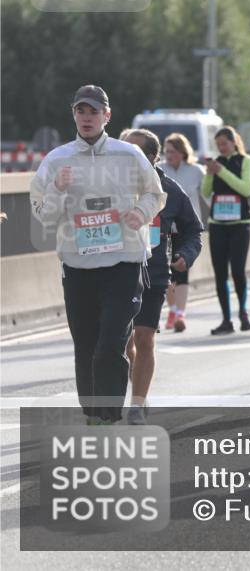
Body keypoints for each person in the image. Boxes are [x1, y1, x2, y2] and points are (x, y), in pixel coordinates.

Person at [29, 85, 166, 424]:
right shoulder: (56, 160)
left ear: (107, 116)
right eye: (81, 111)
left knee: (111, 343)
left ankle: (107, 415)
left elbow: (155, 194)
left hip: (124, 262)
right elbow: (43, 215)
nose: (86, 117)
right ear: (73, 115)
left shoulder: (128, 154)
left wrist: (141, 213)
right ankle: (93, 412)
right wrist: (58, 189)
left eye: (93, 112)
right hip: (78, 265)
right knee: (86, 346)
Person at [123, 129, 203, 425]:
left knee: (144, 339)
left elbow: (194, 230)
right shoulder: (107, 186)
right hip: (114, 273)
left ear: (151, 158)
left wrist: (185, 255)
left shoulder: (169, 189)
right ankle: (131, 392)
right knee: (121, 342)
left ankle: (137, 405)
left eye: (135, 152)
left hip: (153, 274)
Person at [201, 126, 250, 334]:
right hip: (218, 224)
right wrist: (209, 174)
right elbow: (206, 192)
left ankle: (243, 313)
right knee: (220, 273)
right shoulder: (217, 163)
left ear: (234, 142)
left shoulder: (245, 161)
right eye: (218, 145)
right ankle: (226, 319)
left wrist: (221, 172)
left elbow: (245, 189)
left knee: (238, 271)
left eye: (224, 144)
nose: (221, 148)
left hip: (240, 224)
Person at [161, 132, 205, 332]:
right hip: (165, 228)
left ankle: (180, 313)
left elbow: (208, 194)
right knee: (167, 271)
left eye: (173, 151)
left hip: (186, 228)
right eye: (166, 151)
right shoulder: (160, 170)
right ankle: (172, 309)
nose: (169, 155)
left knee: (183, 269)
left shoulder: (196, 171)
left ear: (182, 152)